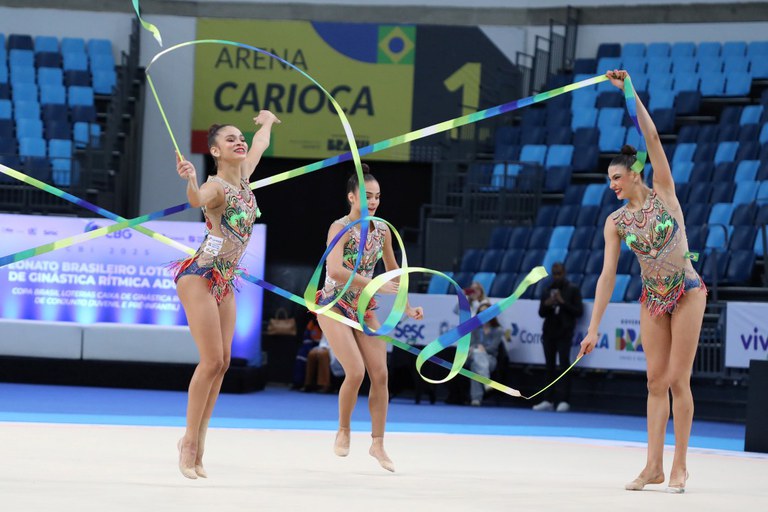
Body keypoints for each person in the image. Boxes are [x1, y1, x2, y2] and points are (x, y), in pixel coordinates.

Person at [578, 70, 706, 494]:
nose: (611, 185)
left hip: (687, 292)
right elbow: (607, 276)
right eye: (608, 180)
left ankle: (680, 467)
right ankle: (652, 465)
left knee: (677, 380)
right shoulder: (614, 222)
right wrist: (594, 327)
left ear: (635, 173)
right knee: (654, 382)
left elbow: (650, 137)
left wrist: (630, 92)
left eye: (616, 178)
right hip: (652, 299)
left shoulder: (664, 192)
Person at [172, 110, 280, 479]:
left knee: (223, 364)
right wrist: (189, 179)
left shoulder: (245, 176)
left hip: (224, 279)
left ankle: (200, 442)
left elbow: (261, 142)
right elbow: (197, 199)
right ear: (216, 152)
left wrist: (266, 122)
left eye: (240, 137)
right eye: (229, 139)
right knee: (211, 360)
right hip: (200, 275)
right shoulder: (217, 186)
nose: (239, 141)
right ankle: (188, 441)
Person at [314, 164, 424, 473]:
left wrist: (406, 305)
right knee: (356, 371)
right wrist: (374, 284)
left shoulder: (382, 230)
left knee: (381, 374)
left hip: (363, 305)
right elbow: (335, 271)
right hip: (334, 303)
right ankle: (344, 429)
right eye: (367, 196)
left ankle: (377, 443)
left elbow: (392, 271)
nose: (373, 202)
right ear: (351, 197)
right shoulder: (339, 228)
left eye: (377, 197)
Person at [533, 262, 583, 412]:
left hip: (564, 332)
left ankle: (564, 400)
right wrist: (548, 303)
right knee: (549, 366)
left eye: (559, 273)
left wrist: (562, 302)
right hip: (549, 332)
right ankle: (548, 399)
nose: (556, 276)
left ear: (564, 272)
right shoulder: (547, 289)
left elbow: (578, 311)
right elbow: (541, 312)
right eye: (554, 274)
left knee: (564, 365)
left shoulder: (573, 289)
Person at [467, 303, 504, 406]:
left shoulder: (498, 330)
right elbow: (471, 344)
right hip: (473, 355)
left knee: (476, 365)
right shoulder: (474, 328)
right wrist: (476, 348)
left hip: (490, 359)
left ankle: (476, 399)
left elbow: (494, 348)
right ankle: (486, 381)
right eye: (481, 312)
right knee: (477, 353)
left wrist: (483, 349)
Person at [292, 316, 324, 390]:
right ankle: (300, 383)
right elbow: (307, 338)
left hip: (327, 347)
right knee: (301, 356)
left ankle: (322, 386)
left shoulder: (330, 322)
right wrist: (310, 348)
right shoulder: (312, 323)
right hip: (311, 346)